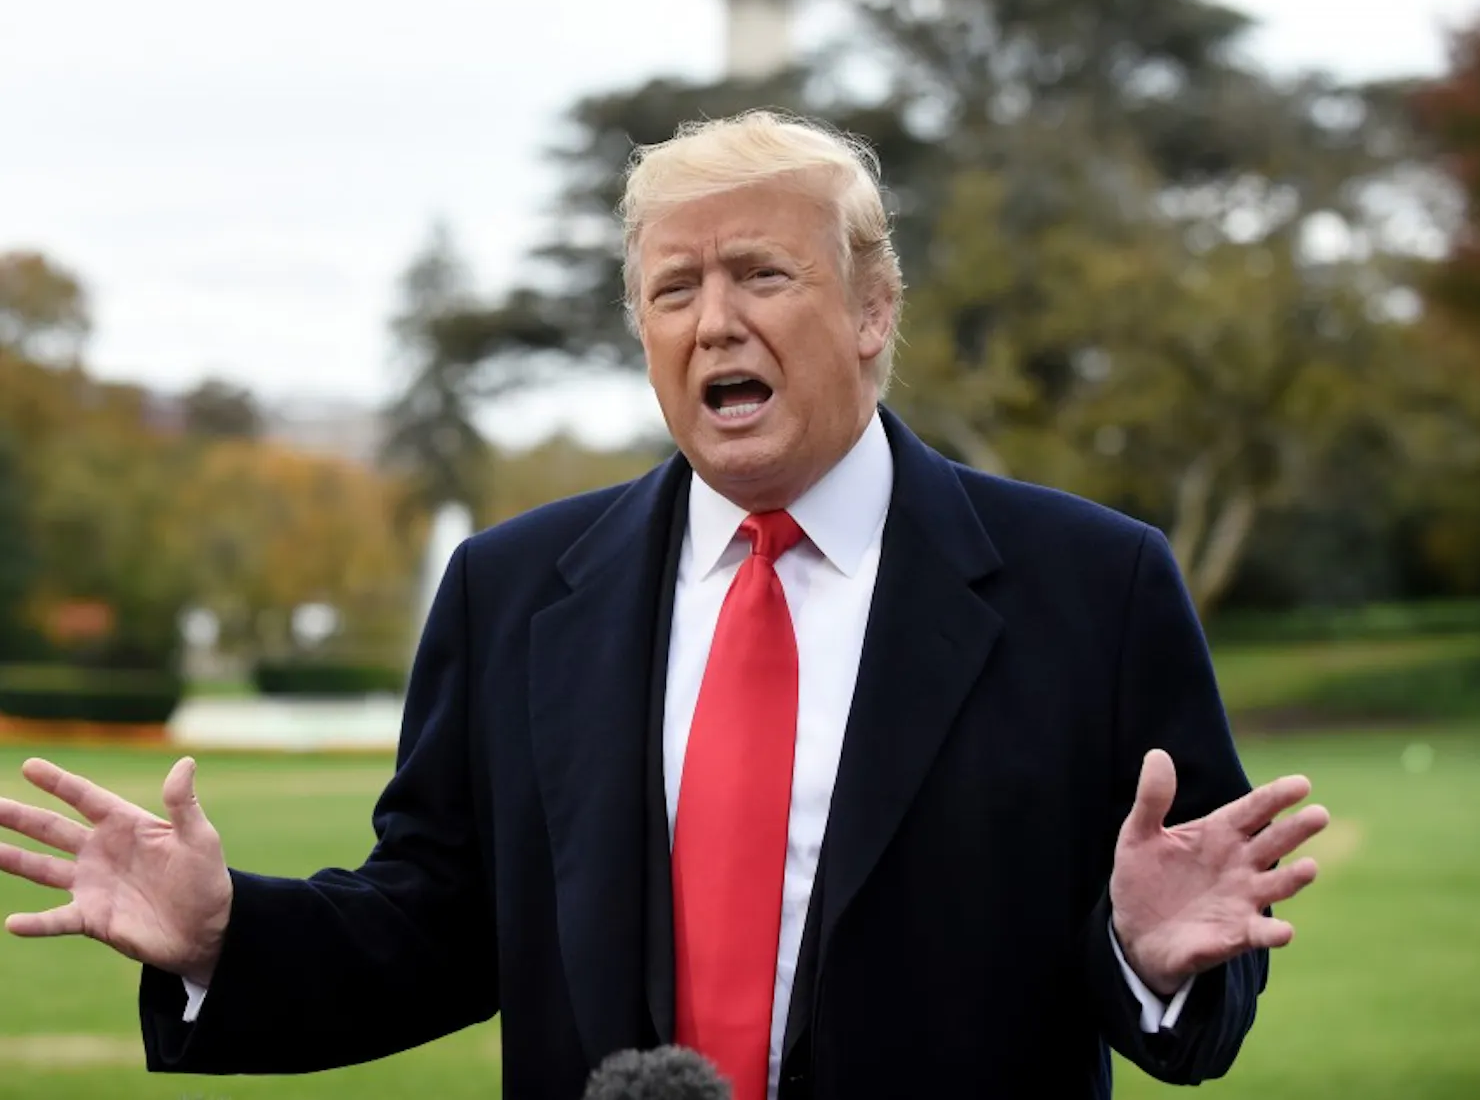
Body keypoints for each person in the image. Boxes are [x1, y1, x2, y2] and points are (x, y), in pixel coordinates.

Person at [0, 111, 1329, 1100]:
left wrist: (1154, 960)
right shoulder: (513, 591)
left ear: (873, 308)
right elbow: (437, 925)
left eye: (762, 274)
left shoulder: (1092, 587)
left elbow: (1197, 930)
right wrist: (227, 937)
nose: (714, 322)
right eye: (673, 290)